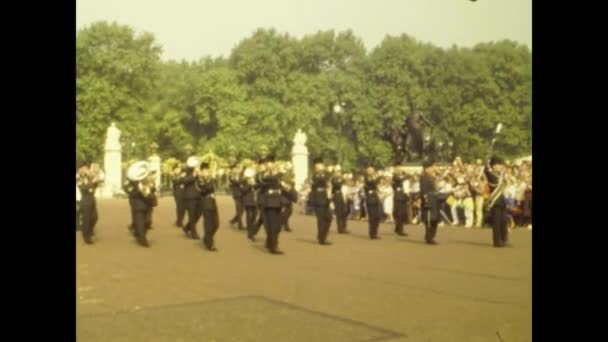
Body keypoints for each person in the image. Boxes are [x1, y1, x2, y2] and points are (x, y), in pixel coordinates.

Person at [260, 155, 285, 254]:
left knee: (277, 225)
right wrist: (278, 174)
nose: (268, 165)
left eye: (270, 163)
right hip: (269, 201)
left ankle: (271, 242)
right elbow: (267, 180)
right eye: (266, 163)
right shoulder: (263, 174)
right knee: (272, 224)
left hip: (277, 201)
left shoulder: (277, 173)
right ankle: (273, 246)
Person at [484, 156, 510, 247]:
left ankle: (504, 239)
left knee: (504, 221)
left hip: (502, 201)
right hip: (495, 202)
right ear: (493, 166)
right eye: (498, 165)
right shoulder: (490, 175)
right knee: (497, 222)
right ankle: (497, 241)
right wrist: (488, 159)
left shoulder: (500, 176)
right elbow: (486, 169)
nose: (500, 167)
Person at [196, 162, 220, 251]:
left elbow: (214, 186)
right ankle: (210, 244)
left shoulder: (211, 179)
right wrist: (208, 180)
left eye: (207, 170)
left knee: (216, 224)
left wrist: (211, 178)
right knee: (208, 224)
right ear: (201, 172)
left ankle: (207, 237)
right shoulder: (199, 181)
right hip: (205, 204)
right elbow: (206, 189)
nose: (207, 172)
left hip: (213, 203)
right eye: (205, 171)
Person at [310, 158, 333, 245]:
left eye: (321, 165)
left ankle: (322, 236)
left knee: (329, 217)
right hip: (318, 198)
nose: (320, 166)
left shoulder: (325, 173)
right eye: (318, 165)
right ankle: (321, 238)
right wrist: (329, 172)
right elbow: (321, 181)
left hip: (325, 197)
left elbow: (328, 180)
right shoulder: (315, 175)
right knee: (321, 219)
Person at [77, 161, 100, 244]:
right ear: (80, 169)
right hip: (85, 200)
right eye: (84, 168)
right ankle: (86, 237)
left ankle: (89, 231)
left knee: (94, 218)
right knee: (86, 219)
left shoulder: (89, 177)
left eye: (86, 168)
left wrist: (96, 180)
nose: (86, 170)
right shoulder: (78, 178)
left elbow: (95, 185)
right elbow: (83, 187)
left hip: (92, 199)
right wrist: (92, 182)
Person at [420, 160, 440, 245]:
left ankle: (430, 236)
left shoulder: (431, 177)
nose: (433, 168)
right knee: (429, 220)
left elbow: (435, 187)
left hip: (434, 198)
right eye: (431, 167)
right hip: (429, 199)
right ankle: (429, 237)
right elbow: (424, 190)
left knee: (435, 219)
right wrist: (426, 201)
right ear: (426, 168)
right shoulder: (424, 177)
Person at [182, 157, 202, 239]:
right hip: (189, 197)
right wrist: (193, 176)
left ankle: (187, 227)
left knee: (198, 213)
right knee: (192, 215)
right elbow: (184, 181)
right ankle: (194, 233)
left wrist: (200, 175)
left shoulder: (199, 172)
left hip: (199, 196)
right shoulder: (186, 171)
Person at [364, 163, 382, 240]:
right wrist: (377, 178)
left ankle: (375, 232)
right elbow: (372, 183)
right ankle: (372, 233)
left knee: (377, 216)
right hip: (370, 198)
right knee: (372, 217)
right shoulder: (367, 177)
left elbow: (377, 184)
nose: (371, 171)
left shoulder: (374, 177)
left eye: (372, 169)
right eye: (369, 169)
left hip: (375, 197)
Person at [392, 163, 409, 236]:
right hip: (398, 195)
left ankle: (397, 228)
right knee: (399, 213)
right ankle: (400, 230)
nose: (399, 169)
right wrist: (405, 175)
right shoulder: (394, 176)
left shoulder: (400, 175)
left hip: (402, 194)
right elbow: (400, 180)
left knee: (402, 212)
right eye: (397, 168)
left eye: (400, 167)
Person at [241, 165, 258, 240]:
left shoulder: (256, 180)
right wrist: (249, 184)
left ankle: (251, 229)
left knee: (254, 216)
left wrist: (254, 184)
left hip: (255, 200)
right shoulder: (243, 181)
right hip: (248, 200)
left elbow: (258, 188)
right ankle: (250, 232)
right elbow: (243, 190)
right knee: (249, 216)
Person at [331, 165, 349, 234]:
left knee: (344, 212)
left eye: (339, 171)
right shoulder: (334, 179)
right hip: (336, 195)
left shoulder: (341, 178)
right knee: (339, 213)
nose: (339, 173)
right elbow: (336, 185)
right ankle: (340, 228)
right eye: (337, 171)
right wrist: (341, 179)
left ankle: (344, 227)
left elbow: (346, 184)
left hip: (341, 194)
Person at [228, 163, 245, 230]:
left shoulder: (240, 175)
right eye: (234, 169)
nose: (235, 170)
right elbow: (237, 183)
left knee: (242, 210)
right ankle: (240, 225)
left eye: (236, 169)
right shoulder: (231, 176)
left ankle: (234, 220)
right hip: (237, 195)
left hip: (243, 194)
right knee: (239, 210)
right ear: (231, 170)